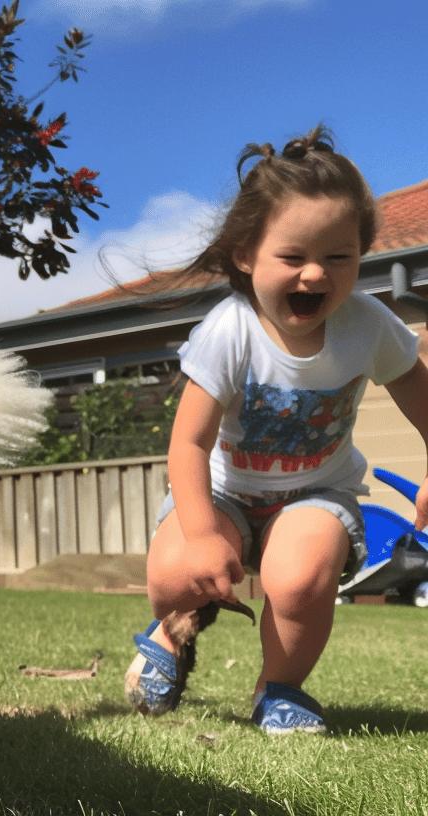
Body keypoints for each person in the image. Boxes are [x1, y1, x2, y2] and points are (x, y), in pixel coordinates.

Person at [123, 127, 428, 734]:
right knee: (176, 571)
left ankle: (279, 688)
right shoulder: (229, 330)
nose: (315, 275)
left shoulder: (369, 326)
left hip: (315, 493)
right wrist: (206, 534)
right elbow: (188, 443)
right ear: (246, 256)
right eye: (293, 257)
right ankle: (174, 629)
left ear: (361, 255)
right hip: (225, 491)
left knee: (300, 578)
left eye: (339, 258)